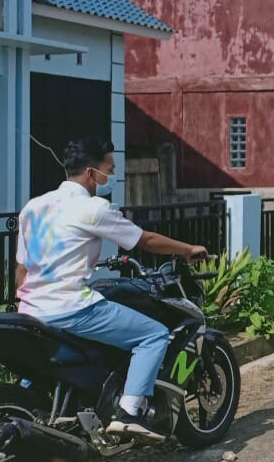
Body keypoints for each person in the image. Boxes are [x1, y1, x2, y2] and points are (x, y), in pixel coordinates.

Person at [15, 138, 207, 442]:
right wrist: (187, 249)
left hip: (29, 311)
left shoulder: (33, 207)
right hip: (71, 307)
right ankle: (129, 412)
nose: (113, 176)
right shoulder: (92, 208)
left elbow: (22, 268)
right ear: (92, 174)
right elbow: (144, 240)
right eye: (111, 169)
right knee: (152, 334)